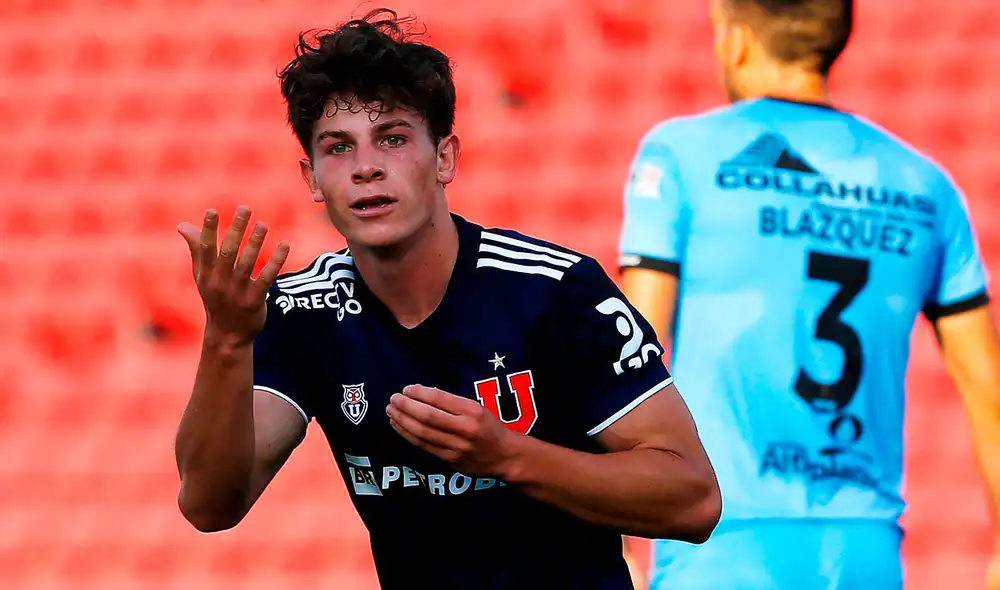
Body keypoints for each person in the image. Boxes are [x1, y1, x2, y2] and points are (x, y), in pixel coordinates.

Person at [172, 8, 721, 589]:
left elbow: (693, 500)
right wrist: (227, 341)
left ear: (445, 158)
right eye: (338, 147)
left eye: (393, 138)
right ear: (311, 178)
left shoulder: (558, 292)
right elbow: (210, 505)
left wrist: (510, 458)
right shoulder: (302, 312)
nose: (365, 168)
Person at [618, 0, 1000, 588]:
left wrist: (611, 538)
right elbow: (988, 391)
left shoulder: (682, 156)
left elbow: (627, 359)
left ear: (736, 38)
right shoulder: (925, 186)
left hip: (720, 547)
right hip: (863, 552)